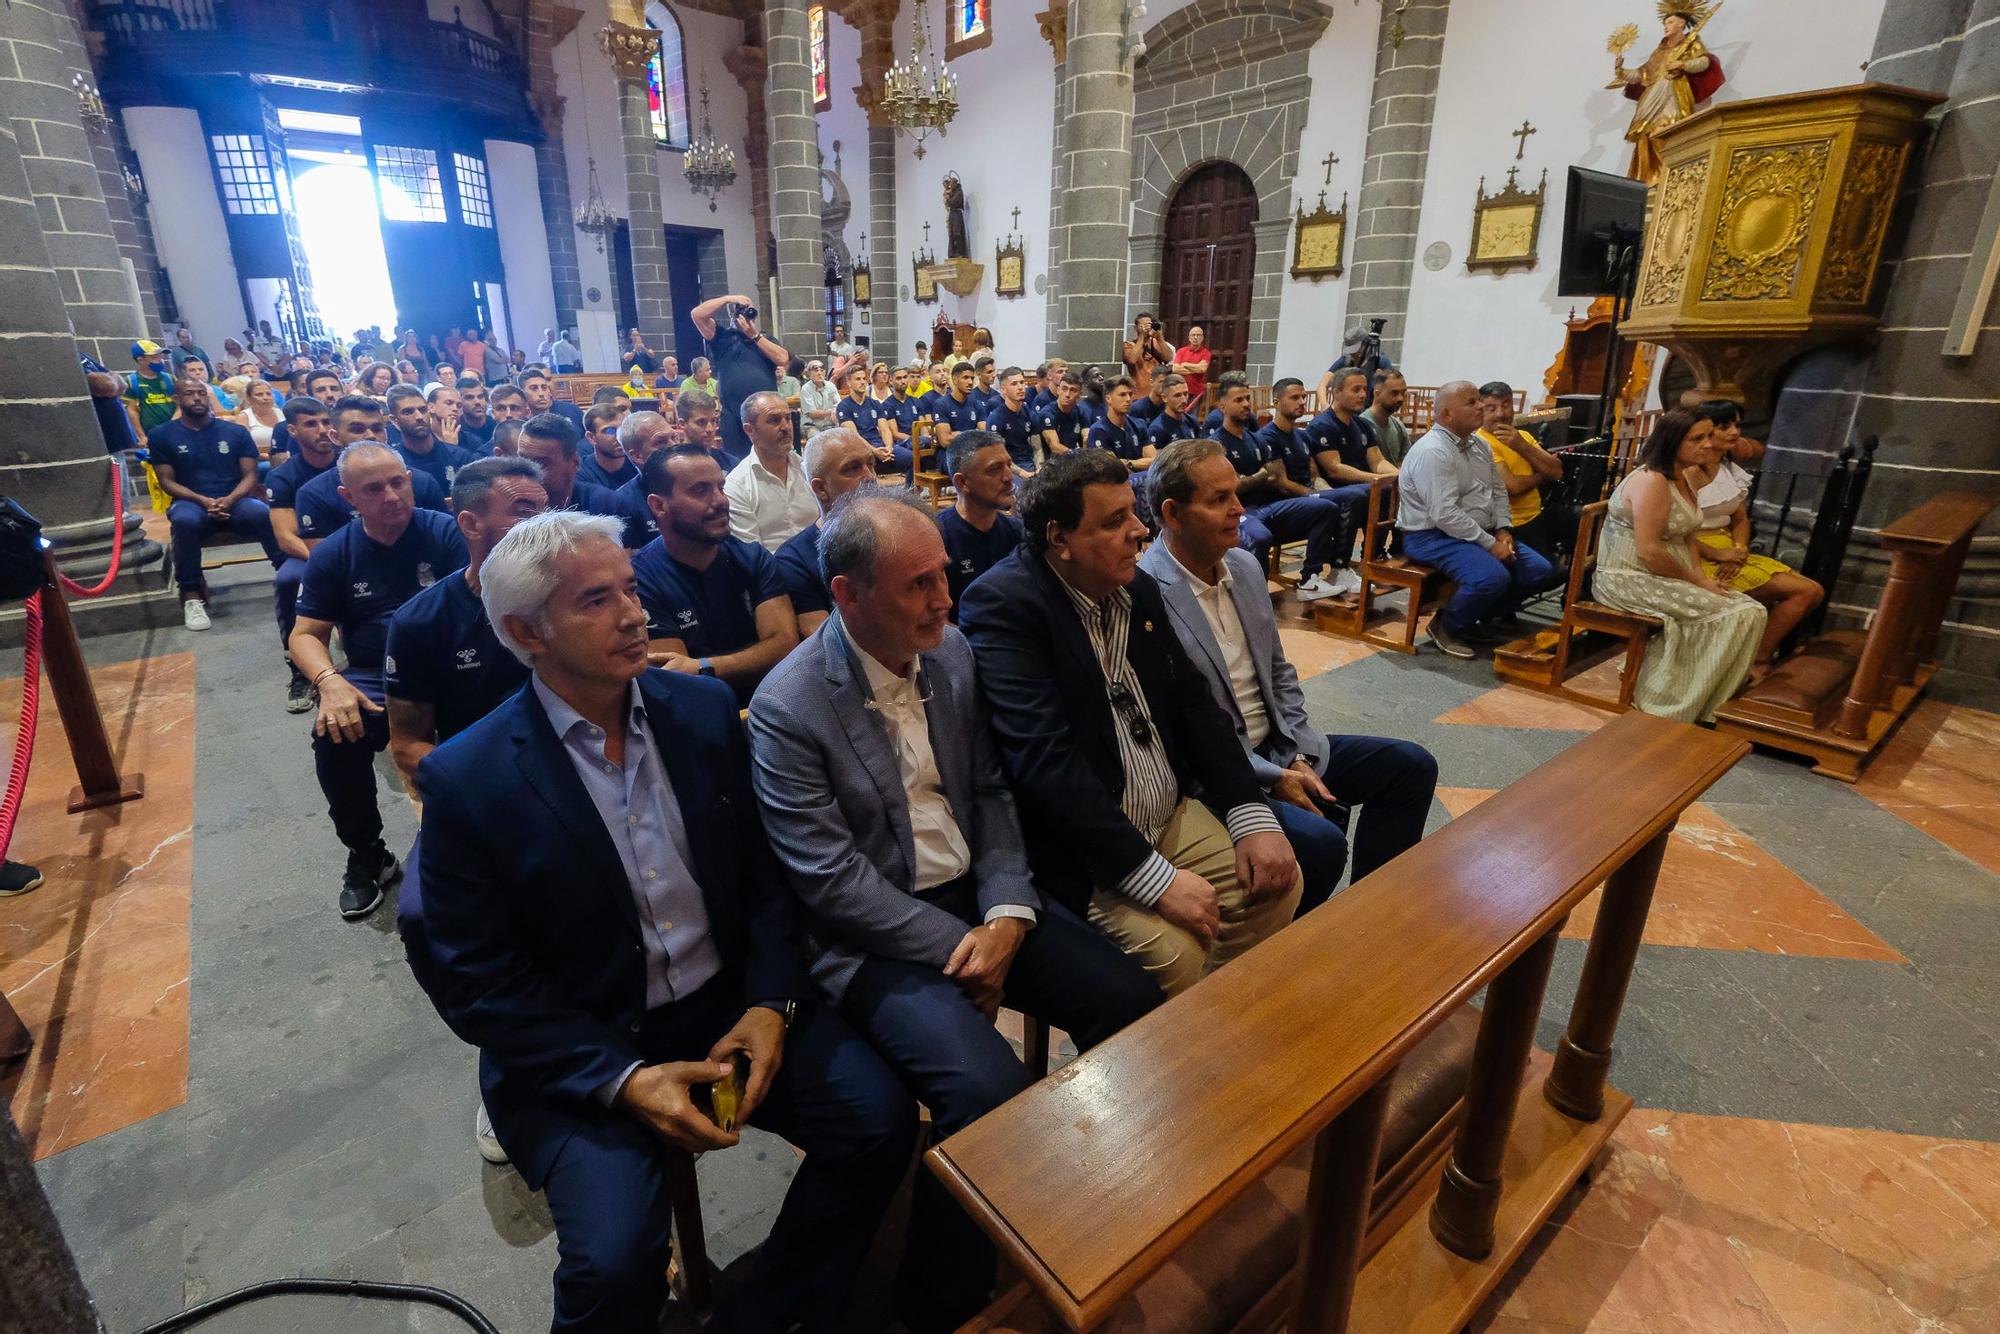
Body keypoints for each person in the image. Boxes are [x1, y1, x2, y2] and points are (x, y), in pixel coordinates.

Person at [416, 510, 916, 1334]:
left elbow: (761, 879)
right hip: (588, 1038)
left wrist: (769, 1003)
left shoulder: (700, 710)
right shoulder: (468, 778)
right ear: (523, 632)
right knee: (613, 1264)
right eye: (595, 600)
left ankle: (767, 1313)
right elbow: (479, 984)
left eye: (631, 590)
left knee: (877, 1122)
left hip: (722, 1002)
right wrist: (621, 1078)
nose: (634, 614)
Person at [748, 489, 1163, 1330]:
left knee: (1132, 1004)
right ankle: (938, 1299)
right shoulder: (789, 706)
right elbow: (831, 880)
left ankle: (1082, 1201)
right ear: (846, 595)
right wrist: (968, 943)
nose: (945, 598)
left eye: (944, 575)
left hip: (982, 899)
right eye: (918, 585)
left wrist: (1008, 910)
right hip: (871, 938)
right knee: (989, 1090)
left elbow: (990, 792)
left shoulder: (953, 653)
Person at [958, 450, 1302, 995]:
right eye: (1115, 521)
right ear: (1059, 538)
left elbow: (1194, 703)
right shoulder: (1005, 604)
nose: (1140, 532)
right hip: (1083, 847)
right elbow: (1045, 763)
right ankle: (1185, 1054)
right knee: (1176, 956)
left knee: (1276, 884)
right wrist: (1155, 879)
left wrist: (1248, 810)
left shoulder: (1134, 586)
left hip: (1165, 809)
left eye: (1133, 513)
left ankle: (1215, 1027)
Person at [1143, 440, 1437, 909]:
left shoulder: (1242, 565)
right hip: (1218, 771)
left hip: (1280, 743)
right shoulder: (1145, 594)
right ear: (1173, 514)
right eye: (1219, 500)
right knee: (1321, 841)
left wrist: (1298, 752)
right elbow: (1178, 731)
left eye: (1235, 494)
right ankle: (1287, 946)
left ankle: (1374, 912)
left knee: (1408, 767)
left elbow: (1280, 674)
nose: (1240, 509)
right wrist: (1272, 773)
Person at [290, 443, 468, 918]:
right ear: (349, 496)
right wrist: (329, 681)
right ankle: (367, 853)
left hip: (452, 663)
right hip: (375, 673)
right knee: (333, 731)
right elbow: (305, 635)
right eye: (374, 488)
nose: (391, 495)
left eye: (398, 482)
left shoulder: (448, 532)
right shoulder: (335, 552)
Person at [1593, 408, 1766, 720]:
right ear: (1672, 441)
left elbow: (1687, 536)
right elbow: (1649, 551)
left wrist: (1700, 577)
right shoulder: (1652, 482)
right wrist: (1696, 582)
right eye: (1696, 439)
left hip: (1659, 573)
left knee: (1752, 610)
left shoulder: (1686, 477)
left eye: (1708, 437)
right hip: (1626, 577)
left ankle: (1707, 701)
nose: (1707, 445)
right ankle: (1668, 699)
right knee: (1736, 615)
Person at [386, 456, 546, 790]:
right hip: (482, 779)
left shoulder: (574, 599)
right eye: (524, 511)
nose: (545, 525)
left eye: (547, 510)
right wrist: (475, 792)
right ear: (471, 525)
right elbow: (408, 747)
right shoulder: (421, 622)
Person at [1397, 381, 1559, 659]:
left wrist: (1504, 530)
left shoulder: (1478, 445)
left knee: (1539, 571)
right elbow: (1444, 514)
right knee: (1491, 576)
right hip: (1430, 536)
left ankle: (1474, 617)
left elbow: (1497, 492)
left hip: (1475, 531)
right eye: (1472, 402)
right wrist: (1488, 543)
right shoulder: (1433, 451)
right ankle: (1446, 625)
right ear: (1447, 415)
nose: (1481, 407)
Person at [632, 446, 801, 702]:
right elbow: (677, 679)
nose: (720, 500)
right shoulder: (639, 579)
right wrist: (754, 657)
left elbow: (785, 645)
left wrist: (703, 666)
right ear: (659, 505)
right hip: (702, 719)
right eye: (700, 491)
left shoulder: (753, 557)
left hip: (774, 700)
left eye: (720, 488)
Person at [1687, 400, 1823, 668]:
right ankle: (1757, 659)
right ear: (1704, 431)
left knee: (1813, 591)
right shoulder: (1690, 472)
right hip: (1696, 551)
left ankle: (1748, 655)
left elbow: (1740, 518)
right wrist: (1720, 554)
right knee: (1804, 592)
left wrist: (1740, 547)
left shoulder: (1728, 468)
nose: (1735, 432)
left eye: (1737, 425)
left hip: (1729, 547)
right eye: (1725, 426)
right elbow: (1679, 528)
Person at [149, 374, 280, 631]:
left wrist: (229, 499)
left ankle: (290, 575)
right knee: (184, 521)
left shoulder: (234, 432)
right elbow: (166, 480)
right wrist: (202, 499)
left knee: (262, 513)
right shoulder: (162, 434)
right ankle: (190, 595)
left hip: (236, 497)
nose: (197, 398)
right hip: (190, 500)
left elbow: (251, 475)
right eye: (189, 393)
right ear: (177, 398)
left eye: (201, 393)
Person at [1213, 374, 1346, 605]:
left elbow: (1274, 476)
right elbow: (1233, 486)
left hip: (1268, 506)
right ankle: (1257, 600)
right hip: (1240, 511)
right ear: (1222, 405)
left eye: (1247, 398)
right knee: (1261, 536)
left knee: (1325, 507)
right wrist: (1260, 476)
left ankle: (1310, 579)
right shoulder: (1216, 443)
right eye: (1238, 400)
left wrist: (1253, 478)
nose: (1246, 404)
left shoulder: (1256, 439)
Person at [268, 397, 341, 712]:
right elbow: (286, 537)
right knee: (288, 579)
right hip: (309, 552)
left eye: (326, 422)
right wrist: (328, 564)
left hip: (356, 546)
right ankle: (299, 669)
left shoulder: (349, 465)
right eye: (312, 424)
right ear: (293, 430)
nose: (323, 430)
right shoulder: (284, 476)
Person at [773, 426, 880, 634]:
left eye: (871, 464)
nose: (870, 477)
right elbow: (824, 642)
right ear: (821, 488)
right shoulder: (794, 560)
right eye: (852, 468)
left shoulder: (897, 534)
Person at [1616, 7, 1725, 183]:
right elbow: (1642, 74)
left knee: (1666, 132)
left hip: (1673, 94)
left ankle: (1670, 178)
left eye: (1670, 22)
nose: (1666, 26)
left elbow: (1704, 62)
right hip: (1652, 97)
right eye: (1665, 23)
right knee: (1646, 136)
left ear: (1681, 23)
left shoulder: (1691, 43)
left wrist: (1682, 65)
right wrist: (1620, 70)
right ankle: (1649, 179)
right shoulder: (1660, 51)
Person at [693, 294, 789, 465]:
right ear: (732, 315)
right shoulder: (722, 337)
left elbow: (783, 358)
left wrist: (755, 335)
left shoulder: (765, 339)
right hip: (733, 414)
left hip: (765, 414)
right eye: (739, 311)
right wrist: (729, 299)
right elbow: (697, 314)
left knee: (772, 457)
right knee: (737, 461)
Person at [937, 430, 1022, 619]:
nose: (1009, 477)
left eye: (1009, 465)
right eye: (994, 469)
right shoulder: (937, 537)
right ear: (962, 482)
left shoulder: (1018, 531)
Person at [1474, 381, 1563, 559]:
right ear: (1481, 411)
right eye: (1491, 408)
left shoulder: (1522, 436)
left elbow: (1557, 472)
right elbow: (1513, 487)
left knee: (1580, 522)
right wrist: (1541, 475)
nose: (1500, 414)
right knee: (1548, 572)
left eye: (1506, 405)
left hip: (1537, 513)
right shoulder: (1481, 442)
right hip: (1511, 523)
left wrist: (1521, 446)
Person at [725, 391, 816, 553]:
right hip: (773, 573)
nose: (786, 427)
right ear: (749, 430)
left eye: (787, 418)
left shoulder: (809, 469)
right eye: (774, 420)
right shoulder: (737, 485)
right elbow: (752, 556)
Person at [515, 412, 623, 518]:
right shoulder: (510, 506)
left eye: (541, 464)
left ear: (574, 464)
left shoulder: (608, 507)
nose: (528, 472)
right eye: (523, 461)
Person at [388, 384, 476, 494]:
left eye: (422, 410)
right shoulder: (393, 464)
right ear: (394, 420)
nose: (419, 417)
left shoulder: (460, 457)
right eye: (408, 412)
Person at [610, 410, 677, 548]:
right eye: (660, 442)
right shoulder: (621, 503)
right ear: (637, 456)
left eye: (674, 438)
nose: (674, 446)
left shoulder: (696, 483)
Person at [1086, 375, 1153, 474]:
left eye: (1130, 394)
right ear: (1108, 399)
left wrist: (1129, 463)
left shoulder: (1139, 424)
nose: (1128, 399)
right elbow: (1112, 468)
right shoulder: (1099, 430)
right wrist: (1140, 464)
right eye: (1122, 395)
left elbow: (1154, 461)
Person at [982, 366, 1040, 479]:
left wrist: (1039, 468)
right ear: (1003, 389)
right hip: (1007, 467)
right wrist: (1023, 473)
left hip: (1029, 464)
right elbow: (997, 455)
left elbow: (1037, 447)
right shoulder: (996, 418)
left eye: (1022, 382)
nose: (1020, 387)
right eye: (1014, 384)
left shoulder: (1029, 413)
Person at [1315, 325, 1397, 404]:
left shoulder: (1380, 361)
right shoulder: (1346, 360)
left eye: (1356, 349)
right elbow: (1323, 384)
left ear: (1365, 344)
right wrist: (1324, 405)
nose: (1353, 353)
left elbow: (1394, 388)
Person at [124, 339, 177, 439]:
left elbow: (180, 405)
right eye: (155, 357)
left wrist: (173, 424)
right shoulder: (131, 381)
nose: (160, 360)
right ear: (141, 360)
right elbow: (132, 410)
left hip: (175, 432)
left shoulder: (170, 379)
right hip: (150, 434)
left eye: (161, 357)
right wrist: (141, 436)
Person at [578, 403, 638, 491]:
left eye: (622, 429)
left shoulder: (638, 463)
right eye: (610, 431)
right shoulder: (580, 473)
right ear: (591, 438)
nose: (619, 436)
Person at [672, 385, 733, 470]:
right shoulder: (671, 467)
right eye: (701, 422)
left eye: (713, 421)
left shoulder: (730, 463)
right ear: (682, 424)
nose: (710, 429)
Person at [1359, 371, 1413, 466]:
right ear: (1377, 394)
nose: (1401, 399)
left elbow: (1407, 461)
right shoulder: (1363, 425)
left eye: (1403, 393)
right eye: (1394, 393)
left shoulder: (1398, 425)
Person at [1121, 313, 1175, 400]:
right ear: (1135, 328)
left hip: (1157, 395)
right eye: (1143, 325)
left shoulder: (1156, 343)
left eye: (1149, 325)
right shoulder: (1129, 345)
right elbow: (1132, 360)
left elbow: (1168, 358)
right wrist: (1142, 336)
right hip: (1138, 396)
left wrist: (1160, 338)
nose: (1146, 328)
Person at [928, 360, 981, 449]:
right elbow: (945, 440)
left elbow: (985, 435)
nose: (970, 382)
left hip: (973, 451)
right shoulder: (941, 404)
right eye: (966, 378)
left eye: (972, 378)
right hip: (949, 453)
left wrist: (958, 434)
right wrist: (974, 433)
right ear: (955, 380)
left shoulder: (977, 404)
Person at [1036, 372, 1087, 459]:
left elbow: (1087, 436)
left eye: (1073, 390)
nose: (1067, 394)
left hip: (1074, 459)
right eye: (1064, 389)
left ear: (1079, 394)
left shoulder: (1080, 411)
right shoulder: (1047, 413)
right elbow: (1055, 447)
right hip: (1055, 463)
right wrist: (1079, 457)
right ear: (1058, 390)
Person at [521, 365, 584, 432]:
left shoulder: (572, 409)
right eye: (534, 388)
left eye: (548, 380)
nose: (541, 393)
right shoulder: (521, 417)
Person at [1147, 374, 1199, 450]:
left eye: (1185, 394)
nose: (1184, 400)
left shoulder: (1192, 421)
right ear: (1164, 398)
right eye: (1177, 395)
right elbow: (1157, 460)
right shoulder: (1157, 429)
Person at [1170, 326, 1211, 407]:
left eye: (1198, 335)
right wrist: (1195, 369)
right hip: (1180, 391)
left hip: (1196, 391)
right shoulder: (1181, 351)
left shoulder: (1206, 353)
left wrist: (1185, 364)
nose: (1195, 337)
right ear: (1189, 337)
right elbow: (1175, 369)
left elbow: (1202, 369)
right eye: (1193, 335)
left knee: (1192, 418)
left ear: (1202, 338)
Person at [455, 375, 495, 453]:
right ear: (459, 402)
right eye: (469, 398)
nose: (477, 402)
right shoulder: (456, 431)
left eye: (480, 397)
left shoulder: (495, 425)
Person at [799, 358, 840, 433]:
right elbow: (812, 413)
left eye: (822, 370)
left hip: (830, 425)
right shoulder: (805, 389)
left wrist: (835, 409)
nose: (819, 373)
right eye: (816, 371)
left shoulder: (831, 386)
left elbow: (839, 404)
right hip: (811, 426)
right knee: (815, 437)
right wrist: (831, 411)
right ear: (809, 374)